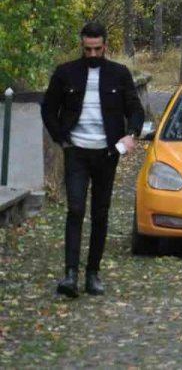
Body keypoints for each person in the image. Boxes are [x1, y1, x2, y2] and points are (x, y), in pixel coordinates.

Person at [40, 22, 144, 298]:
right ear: (81, 46)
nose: (93, 53)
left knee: (100, 212)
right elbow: (48, 108)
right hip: (76, 150)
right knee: (75, 209)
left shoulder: (119, 74)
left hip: (107, 153)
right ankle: (70, 274)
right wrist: (61, 138)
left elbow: (135, 109)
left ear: (105, 46)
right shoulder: (65, 73)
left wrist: (131, 134)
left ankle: (92, 274)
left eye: (97, 48)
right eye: (88, 49)